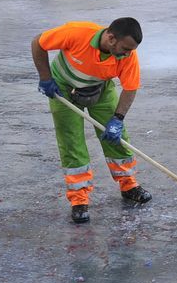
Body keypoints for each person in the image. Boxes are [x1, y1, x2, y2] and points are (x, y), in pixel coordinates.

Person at [32, 18, 152, 224]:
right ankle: (79, 200)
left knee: (117, 139)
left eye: (131, 50)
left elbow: (130, 88)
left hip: (101, 89)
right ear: (111, 38)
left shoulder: (128, 56)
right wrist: (45, 77)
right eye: (124, 49)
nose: (127, 54)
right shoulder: (77, 33)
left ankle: (129, 185)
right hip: (63, 90)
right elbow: (38, 43)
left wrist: (118, 119)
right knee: (72, 142)